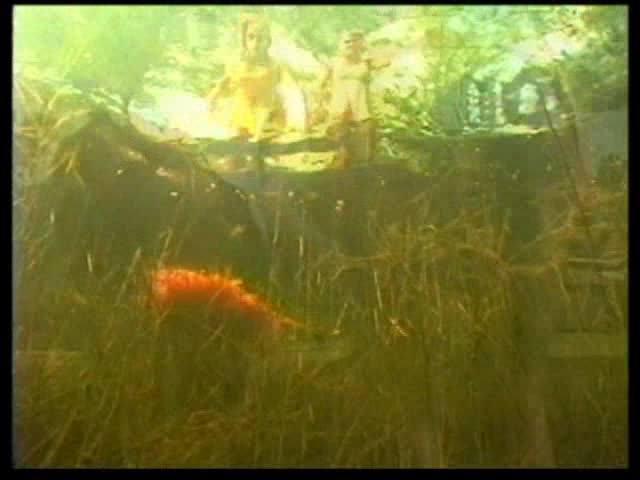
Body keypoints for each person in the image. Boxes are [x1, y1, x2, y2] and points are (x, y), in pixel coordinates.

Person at [314, 31, 391, 168]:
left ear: (360, 44)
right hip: (340, 112)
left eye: (354, 41)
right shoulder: (333, 63)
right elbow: (318, 85)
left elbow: (387, 61)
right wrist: (323, 104)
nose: (350, 44)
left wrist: (368, 49)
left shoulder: (366, 63)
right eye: (346, 42)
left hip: (362, 111)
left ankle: (360, 175)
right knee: (341, 154)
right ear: (340, 44)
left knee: (363, 155)